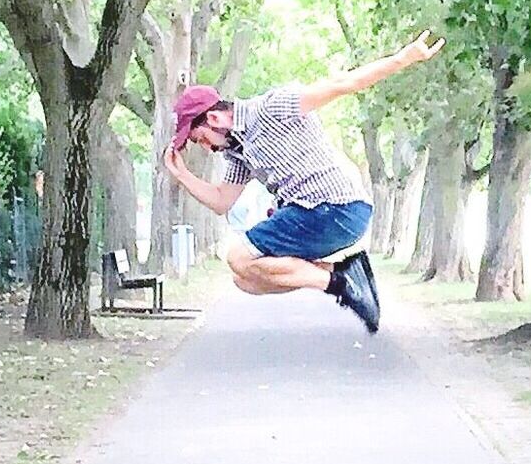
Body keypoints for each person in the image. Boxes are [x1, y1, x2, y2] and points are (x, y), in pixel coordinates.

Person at [160, 30, 445, 333]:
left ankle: (340, 282)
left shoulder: (272, 108)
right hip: (311, 213)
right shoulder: (237, 153)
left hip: (335, 206)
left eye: (200, 139)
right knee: (247, 279)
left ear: (214, 119)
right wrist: (182, 175)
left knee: (239, 256)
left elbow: (342, 84)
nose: (206, 147)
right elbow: (221, 202)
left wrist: (403, 59)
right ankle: (344, 273)